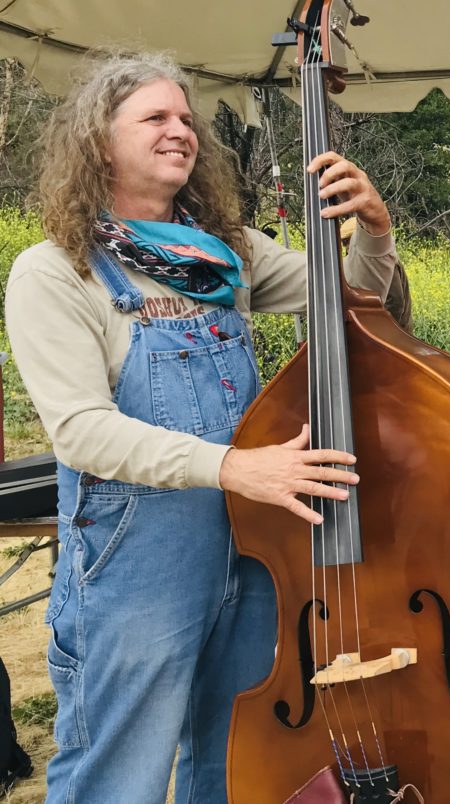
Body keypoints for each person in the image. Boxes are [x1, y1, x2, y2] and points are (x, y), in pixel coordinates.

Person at [5, 50, 400, 804]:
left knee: (233, 769)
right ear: (99, 142)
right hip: (134, 567)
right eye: (155, 117)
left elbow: (352, 304)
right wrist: (232, 467)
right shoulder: (55, 272)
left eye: (187, 118)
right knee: (117, 779)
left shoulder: (226, 257)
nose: (180, 129)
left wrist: (372, 231)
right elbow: (81, 432)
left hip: (250, 557)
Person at [342, 215, 412, 331]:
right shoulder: (361, 261)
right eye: (344, 243)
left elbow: (395, 302)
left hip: (395, 335)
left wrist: (379, 332)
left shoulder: (383, 260)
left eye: (348, 241)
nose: (347, 248)